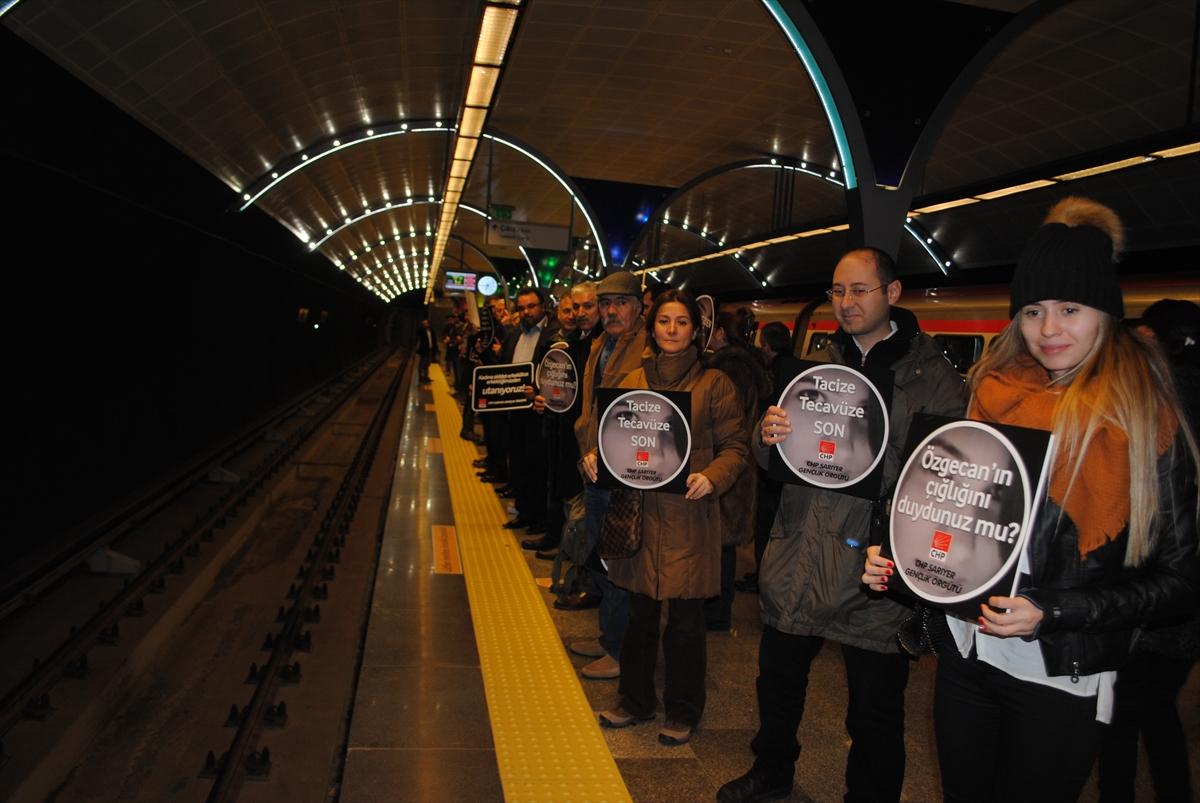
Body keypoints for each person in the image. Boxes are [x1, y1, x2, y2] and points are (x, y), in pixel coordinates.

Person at [863, 197, 1199, 803]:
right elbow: (957, 518)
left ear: (1105, 312)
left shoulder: (1146, 421)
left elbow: (1179, 581)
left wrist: (1054, 610)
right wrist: (900, 559)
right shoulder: (990, 397)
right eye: (1034, 311)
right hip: (966, 655)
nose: (1048, 330)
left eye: (1070, 309)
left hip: (1061, 674)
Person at [719, 246, 965, 803]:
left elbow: (942, 474)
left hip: (872, 561)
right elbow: (772, 461)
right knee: (778, 681)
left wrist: (875, 460)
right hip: (799, 548)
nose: (846, 303)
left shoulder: (933, 379)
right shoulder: (817, 366)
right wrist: (768, 436)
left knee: (875, 704)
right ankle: (771, 771)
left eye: (859, 290)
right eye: (837, 291)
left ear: (892, 294)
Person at [581, 289, 748, 746]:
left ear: (695, 331)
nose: (672, 330)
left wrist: (714, 476)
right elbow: (603, 435)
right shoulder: (633, 379)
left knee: (686, 624)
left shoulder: (714, 385)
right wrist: (594, 457)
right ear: (651, 329)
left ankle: (683, 710)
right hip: (638, 512)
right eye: (664, 322)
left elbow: (737, 446)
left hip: (690, 517)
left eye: (681, 323)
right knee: (639, 615)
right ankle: (634, 701)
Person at [1098, 297, 1200, 803]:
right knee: (1157, 710)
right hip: (1186, 598)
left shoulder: (1158, 409)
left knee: (1120, 713)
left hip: (1152, 594)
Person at [562, 271, 648, 682]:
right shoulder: (601, 344)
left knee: (618, 564)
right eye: (606, 303)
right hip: (595, 467)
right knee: (600, 558)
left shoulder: (646, 349)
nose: (612, 310)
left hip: (624, 475)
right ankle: (606, 635)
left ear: (639, 307)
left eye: (621, 303)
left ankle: (619, 651)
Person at [705, 307, 770, 631]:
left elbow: (724, 420)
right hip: (741, 463)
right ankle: (718, 609)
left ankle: (717, 612)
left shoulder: (728, 368)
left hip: (728, 462)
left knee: (722, 542)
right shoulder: (748, 363)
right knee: (724, 541)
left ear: (720, 334)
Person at [416, 318, 436, 383]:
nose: (426, 324)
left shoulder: (431, 331)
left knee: (427, 364)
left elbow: (433, 340)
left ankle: (426, 376)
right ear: (422, 324)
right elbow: (419, 339)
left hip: (430, 349)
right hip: (423, 350)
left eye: (427, 323)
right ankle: (420, 377)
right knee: (422, 364)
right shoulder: (421, 331)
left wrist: (435, 349)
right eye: (424, 323)